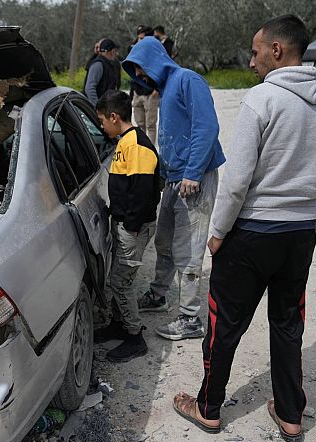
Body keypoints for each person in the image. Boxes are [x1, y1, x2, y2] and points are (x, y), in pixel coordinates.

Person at [172, 15, 316, 442]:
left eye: (255, 53)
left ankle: (209, 408)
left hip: (252, 233)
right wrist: (308, 223)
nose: (251, 63)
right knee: (289, 323)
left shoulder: (262, 99)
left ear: (277, 50)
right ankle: (291, 414)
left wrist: (217, 233)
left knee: (225, 324)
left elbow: (237, 182)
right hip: (299, 235)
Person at [123, 36, 225, 341]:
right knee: (165, 241)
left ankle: (190, 318)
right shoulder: (165, 89)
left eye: (141, 68)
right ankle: (158, 295)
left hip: (195, 178)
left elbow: (206, 127)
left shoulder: (187, 80)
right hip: (174, 180)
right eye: (136, 71)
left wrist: (192, 172)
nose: (140, 76)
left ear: (155, 59)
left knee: (189, 248)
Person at [93, 90, 161, 362]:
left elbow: (144, 192)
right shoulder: (125, 141)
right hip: (124, 223)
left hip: (133, 227)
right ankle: (118, 325)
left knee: (121, 282)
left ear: (113, 116)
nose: (101, 126)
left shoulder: (138, 146)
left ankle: (134, 336)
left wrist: (130, 225)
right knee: (119, 278)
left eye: (102, 121)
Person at [130, 26, 158, 143]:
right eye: (139, 37)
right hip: (137, 91)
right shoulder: (133, 49)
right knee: (139, 123)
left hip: (150, 92)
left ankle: (151, 148)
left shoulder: (155, 51)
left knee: (150, 124)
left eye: (143, 37)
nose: (140, 40)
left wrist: (156, 90)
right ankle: (142, 146)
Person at [83, 39, 120, 105]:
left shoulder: (110, 63)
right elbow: (89, 89)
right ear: (111, 51)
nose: (115, 53)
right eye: (114, 51)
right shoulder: (98, 64)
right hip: (96, 108)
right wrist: (97, 106)